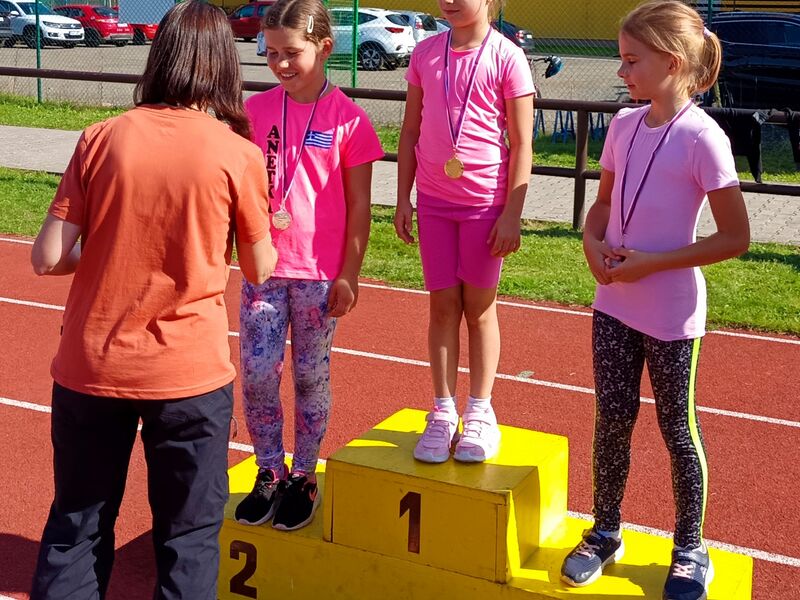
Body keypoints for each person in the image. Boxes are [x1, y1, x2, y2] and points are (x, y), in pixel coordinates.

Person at [28, 2, 277, 599]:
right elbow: (259, 268)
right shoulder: (237, 152)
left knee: (78, 525)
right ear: (223, 65)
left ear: (159, 56)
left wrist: (108, 247)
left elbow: (47, 257)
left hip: (93, 364)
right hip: (189, 373)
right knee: (189, 537)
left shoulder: (101, 137)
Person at [559, 2, 750, 599]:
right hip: (613, 305)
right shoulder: (622, 126)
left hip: (671, 315)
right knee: (612, 420)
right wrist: (591, 244)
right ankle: (605, 530)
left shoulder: (704, 138)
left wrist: (651, 263)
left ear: (670, 63)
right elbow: (601, 207)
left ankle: (690, 547)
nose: (621, 73)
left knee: (677, 429)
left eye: (630, 61)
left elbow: (735, 237)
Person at [234, 0, 384, 531]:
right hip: (263, 268)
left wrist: (350, 273)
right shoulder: (254, 111)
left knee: (310, 378)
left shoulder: (350, 120)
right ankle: (268, 470)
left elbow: (360, 206)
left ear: (324, 48)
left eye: (291, 52)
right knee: (257, 374)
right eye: (271, 52)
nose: (280, 63)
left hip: (319, 275)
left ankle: (303, 474)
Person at [394, 0, 534, 463]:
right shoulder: (425, 53)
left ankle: (479, 411)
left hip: (484, 205)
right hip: (435, 204)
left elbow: (522, 143)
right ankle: (442, 410)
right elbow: (410, 130)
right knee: (441, 307)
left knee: (479, 309)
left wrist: (512, 213)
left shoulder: (507, 56)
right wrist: (403, 197)